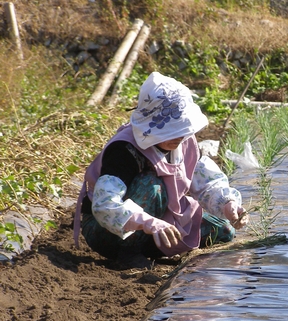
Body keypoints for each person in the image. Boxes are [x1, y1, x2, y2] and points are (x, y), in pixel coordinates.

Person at [73, 72, 248, 269]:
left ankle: (151, 250)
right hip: (108, 230)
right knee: (152, 185)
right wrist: (148, 223)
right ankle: (128, 254)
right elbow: (104, 205)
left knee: (223, 231)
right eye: (172, 131)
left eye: (181, 129)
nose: (179, 137)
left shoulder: (185, 142)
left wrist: (228, 205)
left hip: (162, 222)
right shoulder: (125, 149)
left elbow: (205, 180)